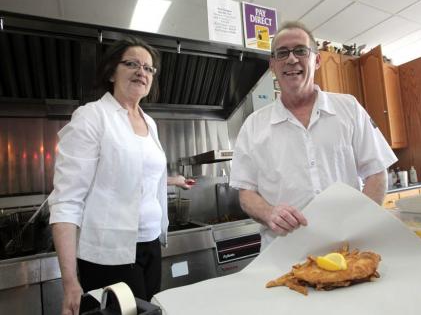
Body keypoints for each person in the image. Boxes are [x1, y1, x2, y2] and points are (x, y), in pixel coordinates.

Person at [48, 36, 194, 315]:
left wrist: (173, 181)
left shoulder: (149, 123)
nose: (142, 72)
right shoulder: (92, 117)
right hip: (109, 253)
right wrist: (70, 281)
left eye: (149, 68)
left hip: (151, 245)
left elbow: (140, 179)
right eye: (132, 64)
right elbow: (67, 200)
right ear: (112, 72)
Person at [230, 21, 397, 249]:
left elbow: (377, 172)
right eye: (282, 53)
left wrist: (359, 223)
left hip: (348, 248)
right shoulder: (253, 126)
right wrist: (269, 213)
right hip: (283, 253)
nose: (291, 59)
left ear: (317, 60)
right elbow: (246, 192)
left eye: (300, 50)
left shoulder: (349, 108)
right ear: (273, 65)